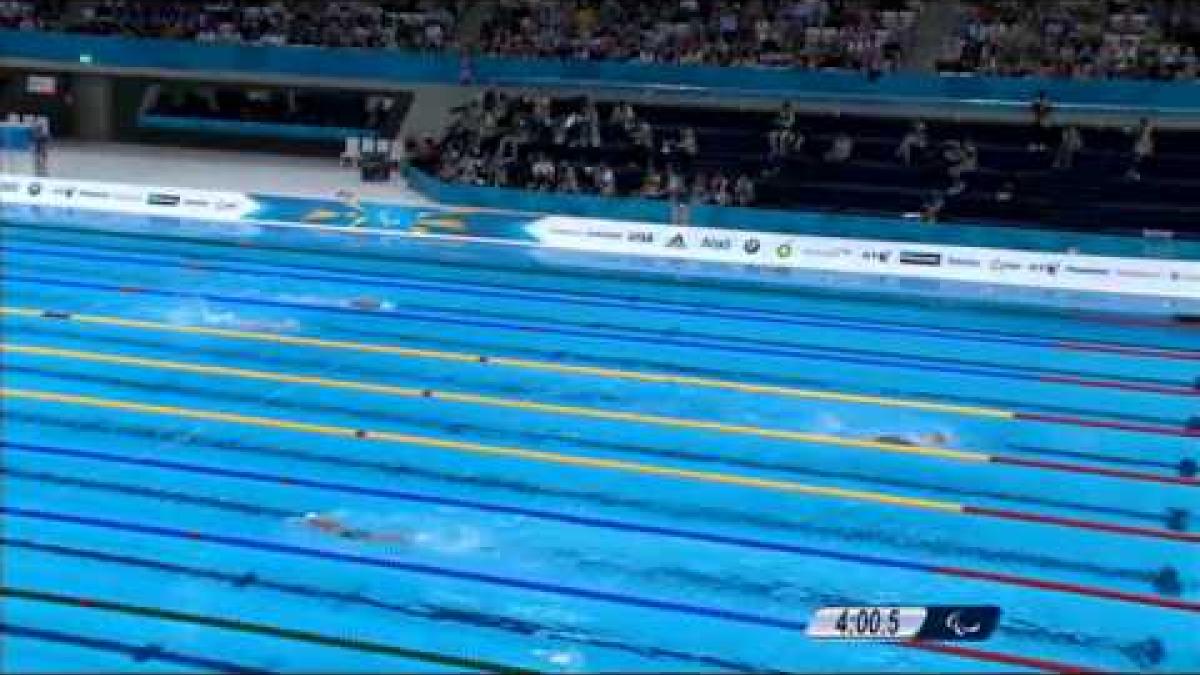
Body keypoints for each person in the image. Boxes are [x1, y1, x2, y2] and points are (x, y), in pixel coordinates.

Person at [298, 512, 411, 543]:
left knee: (378, 538)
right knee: (378, 537)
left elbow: (336, 530)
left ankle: (403, 538)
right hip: (350, 532)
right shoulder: (325, 520)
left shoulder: (323, 523)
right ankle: (402, 537)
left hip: (349, 534)